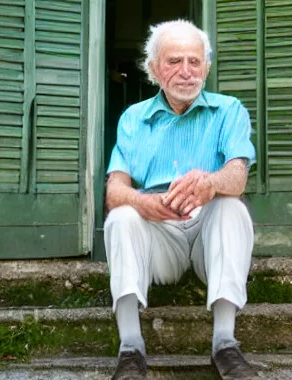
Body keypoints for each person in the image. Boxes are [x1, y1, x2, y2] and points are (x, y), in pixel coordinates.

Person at [104, 20, 257, 379]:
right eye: (174, 61)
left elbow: (238, 176)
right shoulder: (133, 118)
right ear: (154, 68)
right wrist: (142, 203)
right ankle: (130, 348)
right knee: (122, 217)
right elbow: (114, 191)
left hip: (209, 235)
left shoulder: (229, 110)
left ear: (206, 66)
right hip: (161, 236)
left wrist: (211, 182)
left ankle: (225, 344)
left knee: (231, 205)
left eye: (195, 61)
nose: (186, 72)